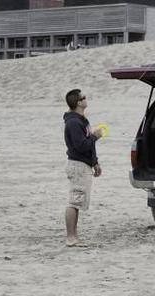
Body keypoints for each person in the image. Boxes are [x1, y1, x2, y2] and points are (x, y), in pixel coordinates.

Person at [63, 89, 103, 247]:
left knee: (78, 202)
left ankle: (73, 236)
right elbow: (81, 145)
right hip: (77, 165)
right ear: (78, 102)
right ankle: (71, 237)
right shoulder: (73, 122)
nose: (86, 99)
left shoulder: (81, 120)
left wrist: (95, 162)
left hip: (84, 164)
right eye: (83, 97)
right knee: (74, 201)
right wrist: (95, 136)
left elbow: (87, 145)